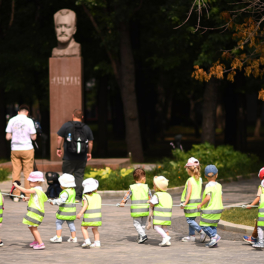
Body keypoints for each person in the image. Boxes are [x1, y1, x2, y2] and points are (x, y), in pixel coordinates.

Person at [57, 109, 94, 202]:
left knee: (66, 175)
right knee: (79, 176)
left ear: (73, 115)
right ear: (82, 117)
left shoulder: (66, 125)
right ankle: (77, 197)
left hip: (68, 157)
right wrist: (89, 153)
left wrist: (59, 148)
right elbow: (90, 142)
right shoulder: (86, 128)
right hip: (82, 157)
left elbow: (59, 137)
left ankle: (66, 196)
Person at [5, 104, 37, 200]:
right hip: (27, 148)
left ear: (18, 112)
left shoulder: (12, 120)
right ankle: (27, 195)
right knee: (28, 172)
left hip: (15, 149)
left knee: (16, 172)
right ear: (27, 113)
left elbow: (7, 137)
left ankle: (16, 195)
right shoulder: (29, 121)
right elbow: (33, 137)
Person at [13, 171, 48, 250]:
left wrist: (16, 185)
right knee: (30, 226)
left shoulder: (36, 190)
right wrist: (28, 198)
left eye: (30, 181)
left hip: (35, 212)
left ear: (37, 181)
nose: (28, 182)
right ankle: (36, 240)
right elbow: (37, 199)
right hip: (35, 212)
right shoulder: (39, 190)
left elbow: (25, 191)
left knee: (34, 227)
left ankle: (40, 243)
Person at [119, 168, 152, 244]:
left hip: (136, 210)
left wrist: (123, 202)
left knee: (136, 224)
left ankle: (143, 236)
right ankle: (141, 238)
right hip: (145, 210)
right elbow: (150, 197)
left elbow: (127, 196)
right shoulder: (146, 187)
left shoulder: (132, 187)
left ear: (134, 179)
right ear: (143, 178)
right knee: (143, 224)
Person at [181, 157, 207, 242]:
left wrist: (185, 202)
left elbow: (189, 193)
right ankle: (191, 236)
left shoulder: (190, 180)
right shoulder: (199, 179)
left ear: (189, 169)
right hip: (196, 204)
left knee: (189, 220)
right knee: (191, 219)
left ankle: (201, 231)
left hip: (190, 205)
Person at [197, 165, 223, 248]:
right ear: (217, 175)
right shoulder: (219, 185)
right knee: (213, 225)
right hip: (218, 209)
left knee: (203, 225)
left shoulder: (208, 186)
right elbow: (221, 197)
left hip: (210, 209)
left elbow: (208, 197)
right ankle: (213, 242)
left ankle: (214, 236)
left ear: (205, 176)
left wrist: (201, 204)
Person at [49, 174, 77, 243]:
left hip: (64, 212)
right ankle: (73, 237)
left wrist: (53, 202)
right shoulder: (72, 190)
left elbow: (61, 200)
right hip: (72, 212)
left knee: (58, 223)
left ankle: (58, 237)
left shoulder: (65, 192)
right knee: (71, 224)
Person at [77, 178, 102, 248]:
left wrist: (80, 213)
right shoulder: (98, 196)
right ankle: (97, 242)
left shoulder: (85, 196)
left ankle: (87, 240)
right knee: (95, 229)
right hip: (97, 217)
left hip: (89, 217)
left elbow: (85, 205)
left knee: (83, 228)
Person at [149, 176, 173, 247]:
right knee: (165, 228)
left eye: (154, 185)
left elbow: (152, 204)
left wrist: (149, 202)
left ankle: (165, 237)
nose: (153, 186)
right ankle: (167, 241)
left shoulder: (157, 195)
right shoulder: (168, 195)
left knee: (157, 227)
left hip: (159, 216)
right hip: (167, 216)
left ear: (157, 187)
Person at [243, 168, 264, 245]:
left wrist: (251, 205)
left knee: (260, 225)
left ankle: (256, 239)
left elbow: (258, 197)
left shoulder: (261, 186)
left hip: (263, 210)